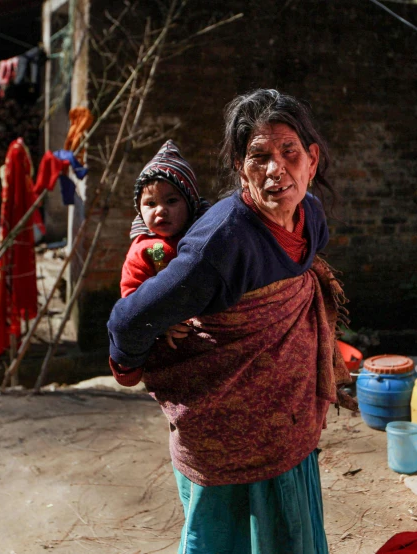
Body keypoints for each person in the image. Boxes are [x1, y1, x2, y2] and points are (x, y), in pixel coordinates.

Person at [107, 88, 356, 553]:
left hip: (287, 424)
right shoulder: (219, 245)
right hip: (221, 432)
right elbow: (128, 321)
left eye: (289, 152)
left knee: (289, 533)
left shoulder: (311, 217)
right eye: (259, 156)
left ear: (312, 159)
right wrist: (132, 365)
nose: (276, 169)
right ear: (241, 168)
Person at [120, 139, 206, 302]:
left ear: (191, 203)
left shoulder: (204, 237)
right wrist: (161, 325)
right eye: (151, 204)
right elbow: (132, 298)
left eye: (171, 201)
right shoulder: (142, 250)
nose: (160, 210)